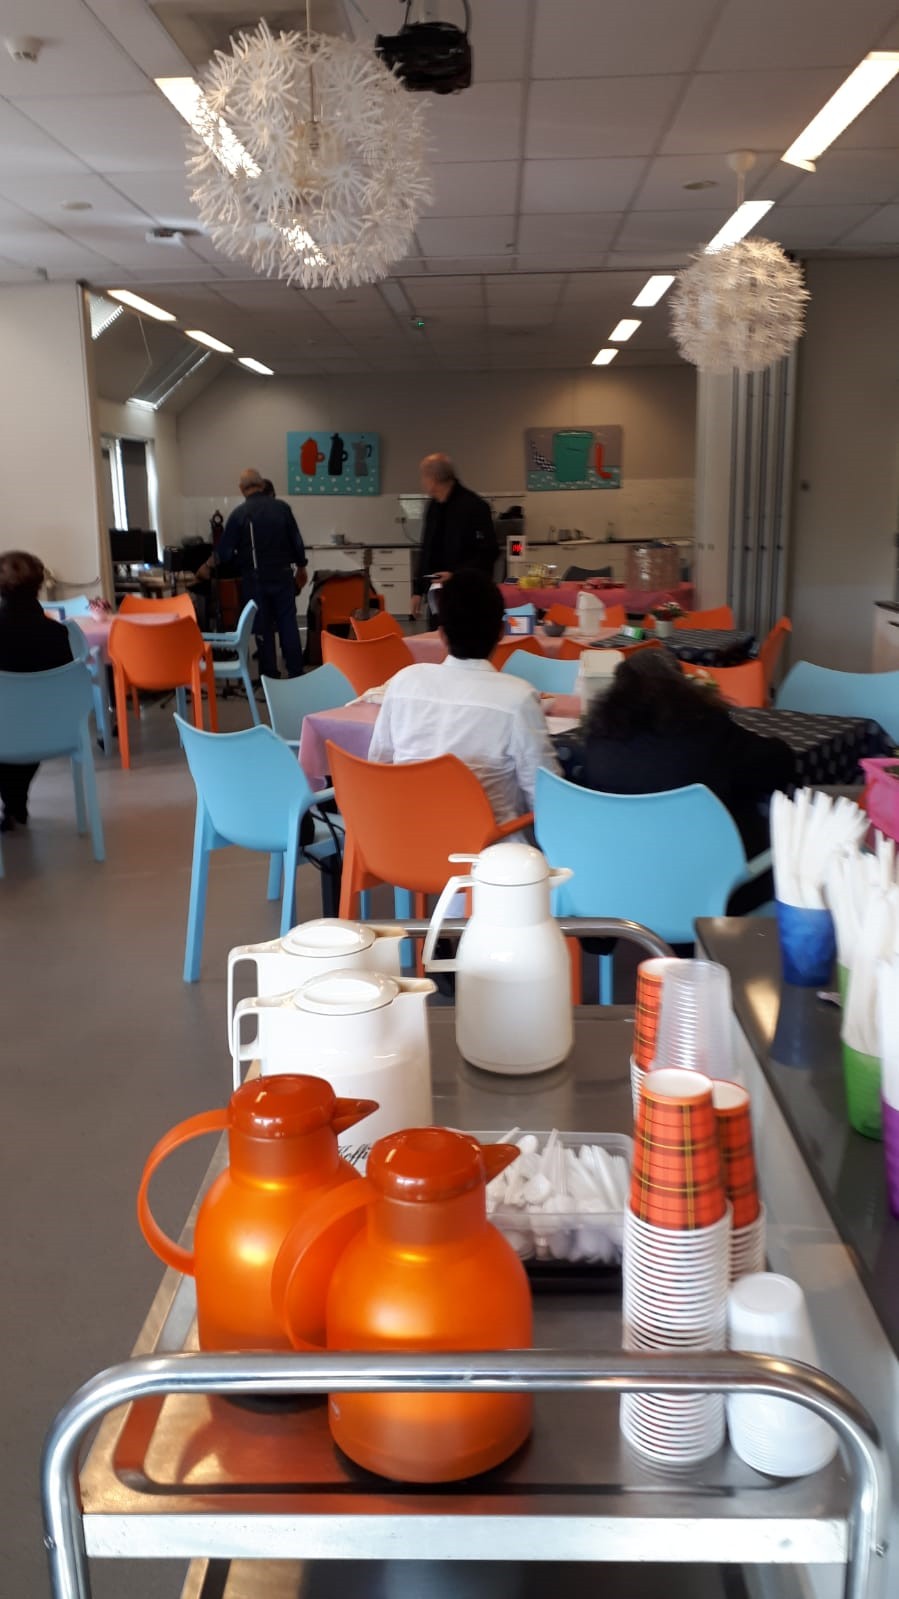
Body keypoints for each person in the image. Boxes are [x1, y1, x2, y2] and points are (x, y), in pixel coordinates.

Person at [369, 569, 560, 825]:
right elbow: (545, 797)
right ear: (501, 631)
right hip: (491, 844)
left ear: (441, 635)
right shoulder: (519, 697)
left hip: (407, 836)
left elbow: (379, 765)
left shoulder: (404, 682)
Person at [581, 648, 795, 858]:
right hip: (714, 865)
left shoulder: (598, 738)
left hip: (621, 864)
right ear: (682, 685)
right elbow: (779, 762)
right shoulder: (709, 731)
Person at [198, 468, 307, 678]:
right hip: (283, 576)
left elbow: (224, 552)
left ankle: (270, 676)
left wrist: (207, 566)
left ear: (241, 489)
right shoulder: (282, 508)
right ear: (262, 485)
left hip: (256, 581)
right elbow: (296, 541)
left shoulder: (240, 514)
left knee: (263, 627)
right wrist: (301, 567)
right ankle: (296, 673)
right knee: (288, 624)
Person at [0, 550, 73, 832]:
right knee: (24, 728)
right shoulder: (57, 634)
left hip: (6, 730)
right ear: (40, 584)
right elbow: (65, 690)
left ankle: (13, 800)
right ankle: (16, 800)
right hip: (48, 732)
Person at [412, 454, 498, 622]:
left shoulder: (475, 506)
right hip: (437, 596)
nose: (422, 482)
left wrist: (455, 575)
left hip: (467, 595)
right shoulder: (433, 507)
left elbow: (489, 552)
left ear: (433, 478)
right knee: (438, 636)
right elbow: (427, 550)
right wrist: (417, 591)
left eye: (424, 476)